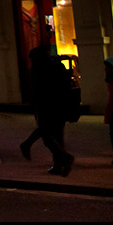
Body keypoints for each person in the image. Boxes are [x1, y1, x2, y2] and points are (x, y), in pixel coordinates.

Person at [21, 45, 74, 176]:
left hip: (46, 106)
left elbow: (37, 89)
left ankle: (64, 158)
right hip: (61, 105)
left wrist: (33, 101)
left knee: (46, 134)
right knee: (57, 135)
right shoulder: (58, 66)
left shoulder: (38, 69)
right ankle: (58, 165)